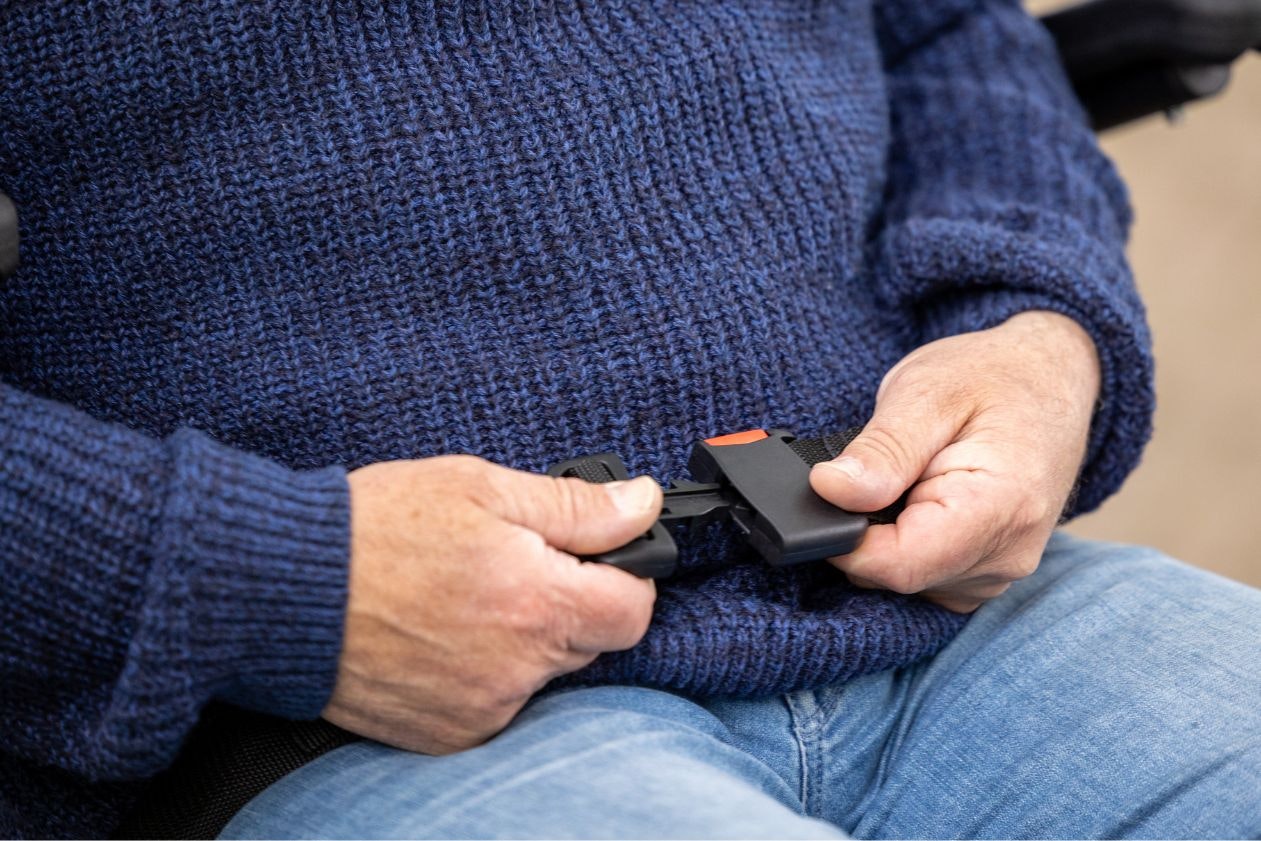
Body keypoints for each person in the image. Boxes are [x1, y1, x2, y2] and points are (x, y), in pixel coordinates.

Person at [1, 0, 1258, 837]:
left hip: (936, 623)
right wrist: (268, 580)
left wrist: (1035, 324)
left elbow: (942, 29)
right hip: (327, 728)